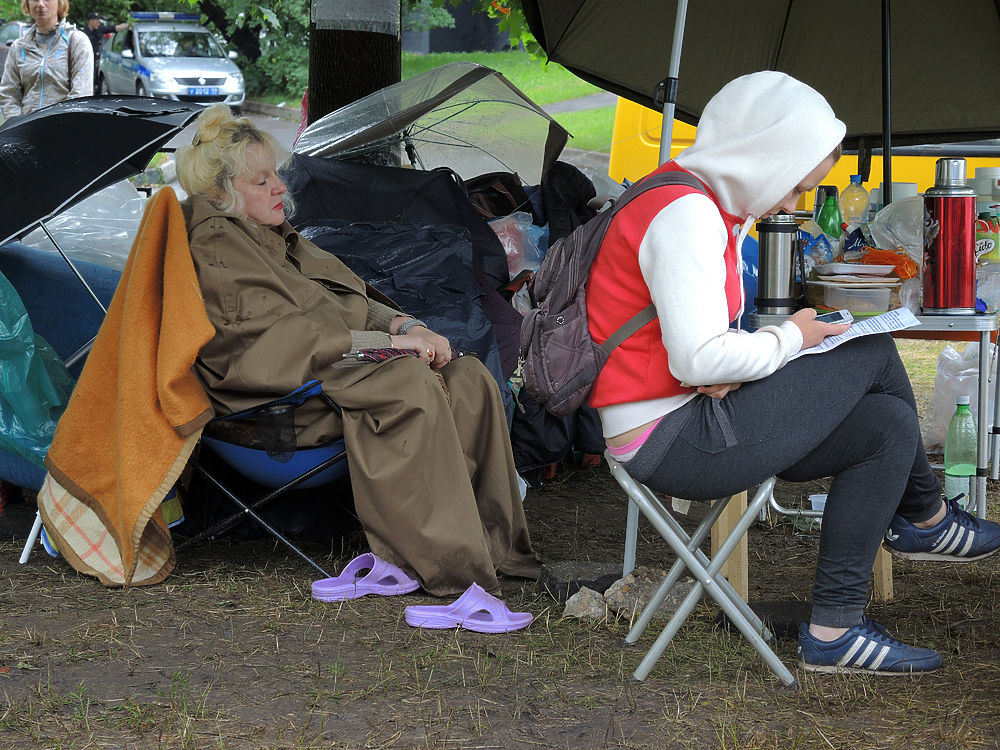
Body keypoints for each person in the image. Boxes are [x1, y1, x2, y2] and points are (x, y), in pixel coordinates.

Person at [586, 70, 1000, 675]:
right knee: (872, 352)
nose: (793, 205)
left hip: (691, 416)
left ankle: (835, 630)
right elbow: (699, 361)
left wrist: (750, 354)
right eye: (796, 186)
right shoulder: (685, 215)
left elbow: (703, 356)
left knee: (884, 424)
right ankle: (926, 519)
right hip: (672, 440)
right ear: (764, 157)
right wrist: (789, 337)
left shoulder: (692, 203)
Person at [174, 104, 541, 598]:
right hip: (275, 409)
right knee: (407, 381)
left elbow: (345, 299)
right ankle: (450, 569)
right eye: (261, 182)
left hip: (323, 379)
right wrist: (391, 347)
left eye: (276, 176)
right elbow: (272, 345)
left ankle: (499, 550)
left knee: (468, 374)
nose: (280, 187)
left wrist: (404, 325)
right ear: (221, 194)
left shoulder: (271, 235)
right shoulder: (217, 245)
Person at [0, 0, 92, 120]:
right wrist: (18, 125)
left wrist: (55, 126)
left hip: (64, 130)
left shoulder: (77, 42)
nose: (40, 4)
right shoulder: (19, 46)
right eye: (35, 0)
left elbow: (81, 95)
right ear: (27, 4)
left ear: (60, 3)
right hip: (26, 131)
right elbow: (9, 93)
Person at [82, 12, 126, 88]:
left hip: (96, 59)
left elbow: (115, 28)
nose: (99, 24)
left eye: (99, 22)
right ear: (91, 21)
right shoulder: (82, 32)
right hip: (85, 59)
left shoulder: (100, 30)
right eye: (97, 22)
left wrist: (129, 25)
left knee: (96, 79)